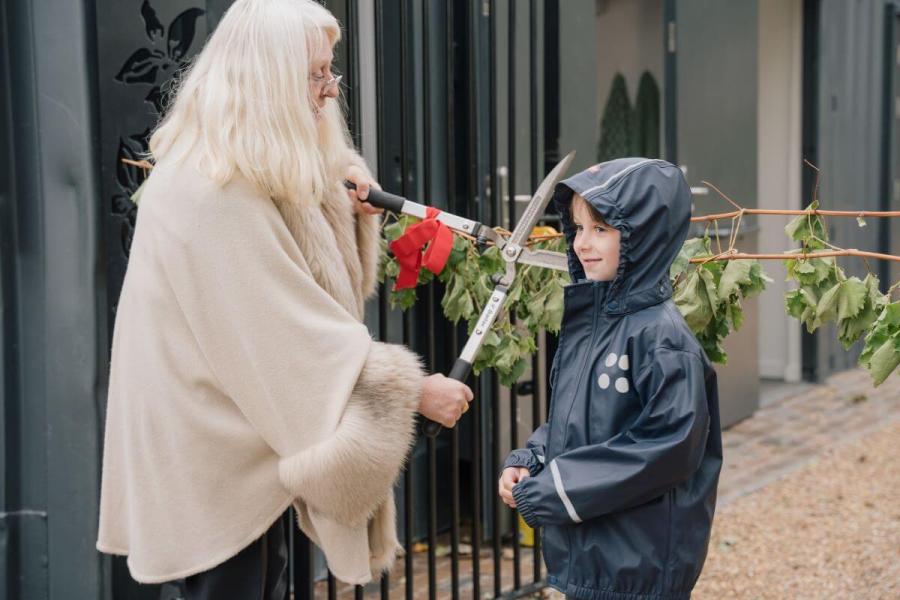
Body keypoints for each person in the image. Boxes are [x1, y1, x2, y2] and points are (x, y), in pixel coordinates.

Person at [96, 0, 473, 597]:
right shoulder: (212, 189)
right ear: (268, 80)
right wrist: (411, 390)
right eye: (315, 74)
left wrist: (339, 203)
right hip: (215, 457)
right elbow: (282, 330)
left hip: (229, 446)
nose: (330, 90)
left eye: (331, 71)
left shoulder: (227, 168)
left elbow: (299, 282)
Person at [498, 158, 722, 600]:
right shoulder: (593, 326)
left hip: (637, 562)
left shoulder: (661, 337)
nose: (583, 243)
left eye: (601, 229)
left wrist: (556, 489)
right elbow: (579, 422)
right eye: (578, 228)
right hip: (595, 554)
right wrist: (533, 460)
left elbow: (667, 446)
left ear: (645, 236)